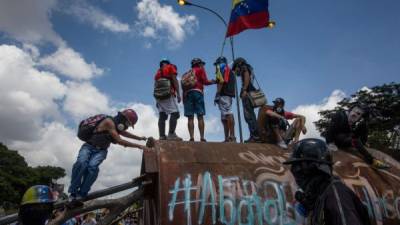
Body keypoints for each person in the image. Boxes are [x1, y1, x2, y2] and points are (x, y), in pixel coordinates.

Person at [283, 138, 372, 225]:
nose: (294, 171)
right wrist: (311, 201)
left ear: (311, 168)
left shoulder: (336, 195)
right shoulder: (322, 194)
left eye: (297, 167)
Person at [68, 109, 149, 200]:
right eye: (128, 124)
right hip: (88, 147)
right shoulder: (109, 123)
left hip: (101, 151)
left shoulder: (116, 126)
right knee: (81, 163)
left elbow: (125, 134)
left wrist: (139, 138)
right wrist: (139, 146)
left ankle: (82, 194)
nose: (128, 127)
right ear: (124, 120)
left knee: (92, 168)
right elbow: (120, 141)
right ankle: (73, 193)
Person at [324, 104, 390, 169]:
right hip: (338, 139)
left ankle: (362, 144)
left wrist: (371, 110)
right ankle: (373, 161)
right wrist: (330, 143)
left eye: (358, 114)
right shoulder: (340, 115)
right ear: (350, 110)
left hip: (347, 136)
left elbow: (355, 129)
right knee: (355, 140)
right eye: (354, 111)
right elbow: (330, 129)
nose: (355, 114)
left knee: (364, 125)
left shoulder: (356, 120)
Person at [182, 58, 216, 142]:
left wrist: (183, 99)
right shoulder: (200, 70)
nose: (203, 66)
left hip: (188, 94)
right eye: (202, 64)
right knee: (200, 116)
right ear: (199, 64)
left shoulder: (188, 73)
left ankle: (191, 137)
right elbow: (205, 81)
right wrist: (213, 82)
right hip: (198, 93)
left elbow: (184, 86)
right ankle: (202, 137)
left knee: (190, 117)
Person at [232, 57, 260, 143]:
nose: (236, 70)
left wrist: (244, 90)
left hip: (247, 94)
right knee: (250, 116)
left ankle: (255, 136)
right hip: (249, 93)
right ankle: (254, 136)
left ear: (239, 64)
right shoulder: (247, 67)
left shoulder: (244, 68)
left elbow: (246, 77)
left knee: (249, 116)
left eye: (236, 67)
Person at [154, 58, 182, 141]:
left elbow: (155, 86)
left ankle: (162, 136)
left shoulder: (157, 73)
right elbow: (174, 79)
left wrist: (156, 100)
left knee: (162, 115)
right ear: (168, 63)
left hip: (159, 97)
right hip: (169, 94)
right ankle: (171, 134)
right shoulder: (170, 67)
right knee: (175, 113)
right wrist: (178, 94)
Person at [214, 56, 236, 142]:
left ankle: (232, 136)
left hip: (224, 94)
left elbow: (221, 81)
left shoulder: (222, 68)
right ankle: (227, 138)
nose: (216, 66)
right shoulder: (228, 70)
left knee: (228, 114)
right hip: (228, 94)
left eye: (216, 64)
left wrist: (217, 93)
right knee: (224, 117)